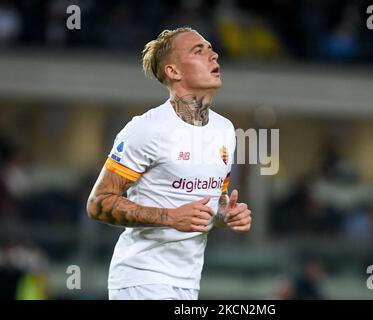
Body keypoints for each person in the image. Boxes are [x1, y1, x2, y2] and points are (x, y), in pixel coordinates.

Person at [86, 27, 252, 300]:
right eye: (199, 51)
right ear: (174, 72)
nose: (213, 55)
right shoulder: (147, 129)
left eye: (210, 48)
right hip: (142, 278)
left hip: (188, 282)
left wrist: (226, 214)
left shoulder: (225, 129)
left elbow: (211, 201)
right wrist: (171, 218)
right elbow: (98, 202)